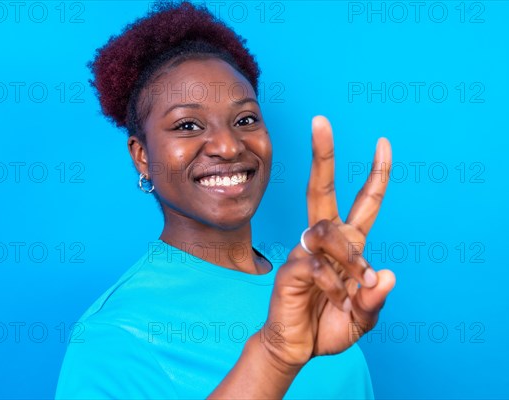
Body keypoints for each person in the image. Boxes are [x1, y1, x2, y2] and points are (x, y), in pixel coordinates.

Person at [55, 2, 395, 398]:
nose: (228, 145)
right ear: (142, 156)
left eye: (245, 119)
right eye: (187, 125)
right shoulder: (112, 336)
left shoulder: (310, 279)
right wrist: (275, 355)